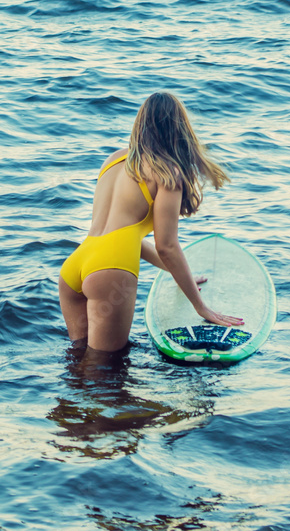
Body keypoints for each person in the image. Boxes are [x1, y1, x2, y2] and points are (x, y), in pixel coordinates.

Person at [58, 91, 244, 353]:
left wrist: (184, 276)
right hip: (110, 272)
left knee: (78, 362)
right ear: (179, 130)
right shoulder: (168, 173)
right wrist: (200, 306)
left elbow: (124, 237)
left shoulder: (114, 160)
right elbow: (166, 246)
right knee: (106, 373)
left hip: (75, 267)